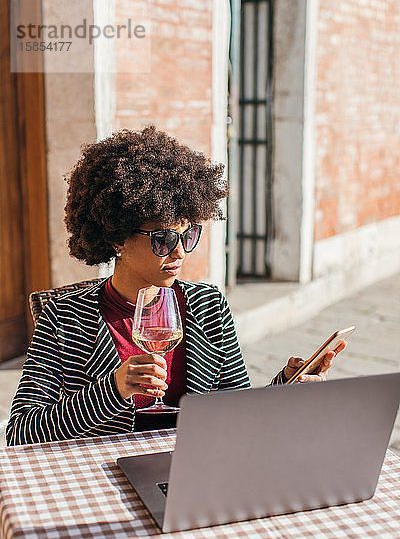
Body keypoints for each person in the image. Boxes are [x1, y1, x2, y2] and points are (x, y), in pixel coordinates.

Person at [6, 126, 343, 446]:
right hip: (110, 474)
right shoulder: (64, 317)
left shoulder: (207, 304)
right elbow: (21, 431)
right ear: (115, 238)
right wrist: (113, 389)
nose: (180, 252)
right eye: (163, 238)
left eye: (189, 235)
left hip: (199, 464)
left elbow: (235, 408)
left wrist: (285, 387)